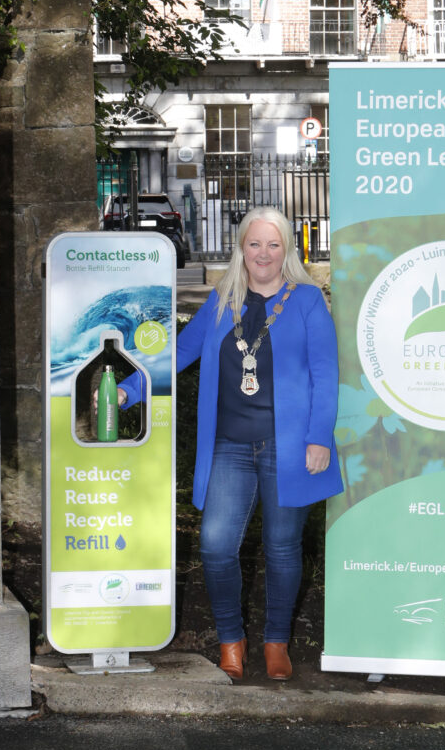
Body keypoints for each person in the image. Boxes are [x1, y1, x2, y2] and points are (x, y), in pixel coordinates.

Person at [118, 206, 343, 681]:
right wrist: (130, 388)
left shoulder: (306, 300)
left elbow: (325, 374)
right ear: (242, 246)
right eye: (254, 243)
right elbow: (180, 351)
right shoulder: (223, 298)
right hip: (230, 446)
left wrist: (318, 437)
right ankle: (231, 640)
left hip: (289, 446)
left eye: (273, 244)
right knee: (217, 546)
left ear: (287, 250)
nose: (263, 253)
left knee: (282, 548)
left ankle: (276, 642)